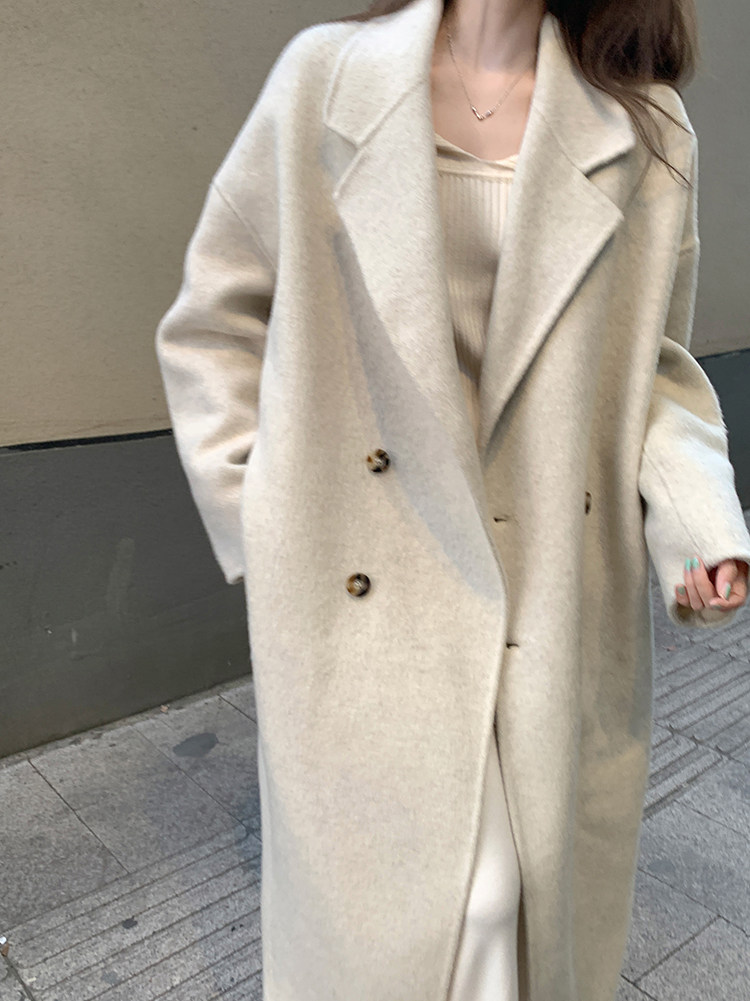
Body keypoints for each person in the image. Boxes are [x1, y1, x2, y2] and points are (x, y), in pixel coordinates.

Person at [154, 0, 750, 998]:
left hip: (550, 574)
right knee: (424, 911)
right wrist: (271, 522)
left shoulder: (641, 123)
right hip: (372, 578)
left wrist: (700, 526)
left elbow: (652, 369)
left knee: (516, 905)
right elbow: (214, 323)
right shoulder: (326, 79)